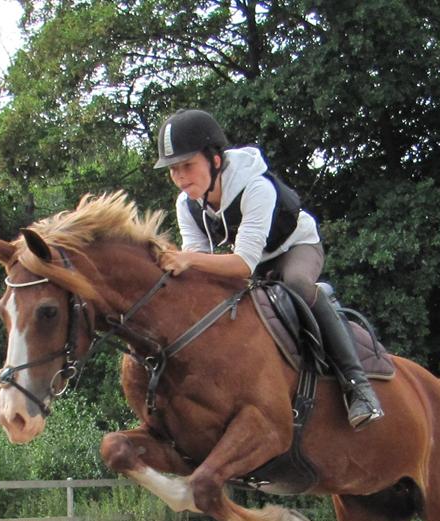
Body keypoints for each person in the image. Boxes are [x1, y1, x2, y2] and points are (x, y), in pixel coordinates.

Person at [153, 108, 383, 428]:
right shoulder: (186, 204)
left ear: (215, 160)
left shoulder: (255, 187)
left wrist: (187, 259)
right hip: (253, 260)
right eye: (173, 170)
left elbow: (242, 264)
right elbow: (198, 263)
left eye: (187, 165)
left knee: (298, 285)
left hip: (295, 246)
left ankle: (359, 388)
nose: (179, 177)